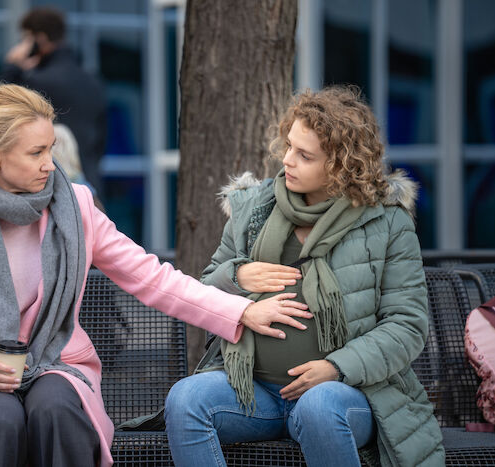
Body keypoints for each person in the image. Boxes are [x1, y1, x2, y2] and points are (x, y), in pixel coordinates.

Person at [0, 83, 312, 467]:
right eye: (36, 153)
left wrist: (239, 313)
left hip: (56, 364)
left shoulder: (76, 206)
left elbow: (153, 277)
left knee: (56, 409)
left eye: (50, 149)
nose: (51, 164)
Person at [164, 86, 445, 467]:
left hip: (349, 393)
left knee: (319, 406)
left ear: (341, 165)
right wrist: (239, 274)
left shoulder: (387, 222)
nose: (287, 161)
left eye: (304, 155)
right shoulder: (254, 208)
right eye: (289, 146)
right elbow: (209, 284)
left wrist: (336, 368)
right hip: (255, 389)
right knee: (185, 400)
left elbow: (407, 325)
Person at [0, 6, 107, 200]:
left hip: (51, 188)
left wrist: (12, 67)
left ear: (39, 40)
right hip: (89, 184)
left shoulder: (34, 82)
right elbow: (101, 140)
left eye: (26, 39)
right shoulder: (93, 82)